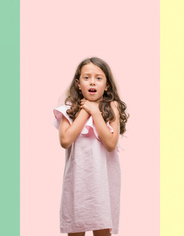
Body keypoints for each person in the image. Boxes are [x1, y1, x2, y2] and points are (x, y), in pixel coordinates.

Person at [54, 57, 129, 236]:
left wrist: (95, 111)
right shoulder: (68, 109)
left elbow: (110, 144)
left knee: (102, 228)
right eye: (86, 77)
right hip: (78, 181)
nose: (92, 82)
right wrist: (84, 111)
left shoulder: (112, 107)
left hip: (103, 181)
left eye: (98, 78)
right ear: (78, 84)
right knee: (76, 227)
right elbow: (65, 141)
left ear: (107, 85)